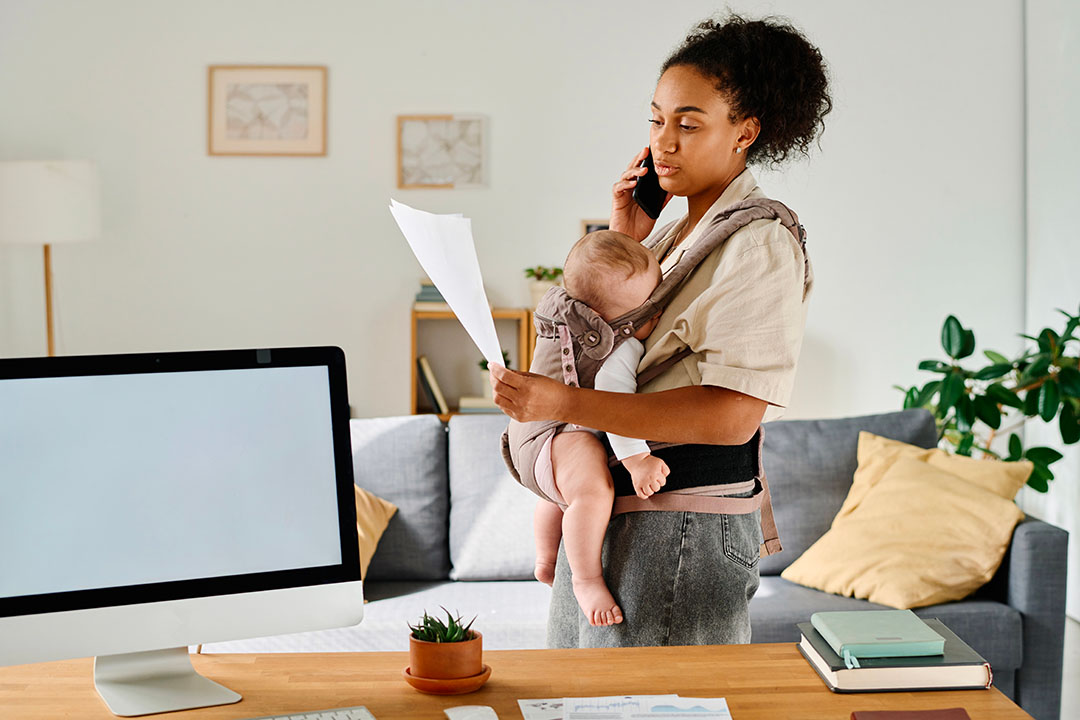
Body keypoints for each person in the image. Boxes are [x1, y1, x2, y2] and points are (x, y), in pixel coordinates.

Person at [491, 13, 831, 647]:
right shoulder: (675, 234)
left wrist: (562, 404)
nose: (663, 143)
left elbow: (733, 417)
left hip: (679, 527)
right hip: (634, 519)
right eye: (656, 120)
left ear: (746, 132)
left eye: (689, 124)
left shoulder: (757, 242)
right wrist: (626, 239)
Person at [531, 229, 667, 628]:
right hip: (566, 430)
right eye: (646, 308)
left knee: (560, 492)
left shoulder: (564, 321)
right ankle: (586, 579)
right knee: (592, 492)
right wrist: (638, 459)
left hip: (538, 437)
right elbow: (614, 405)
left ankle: (546, 556)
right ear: (607, 321)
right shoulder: (618, 347)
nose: (656, 313)